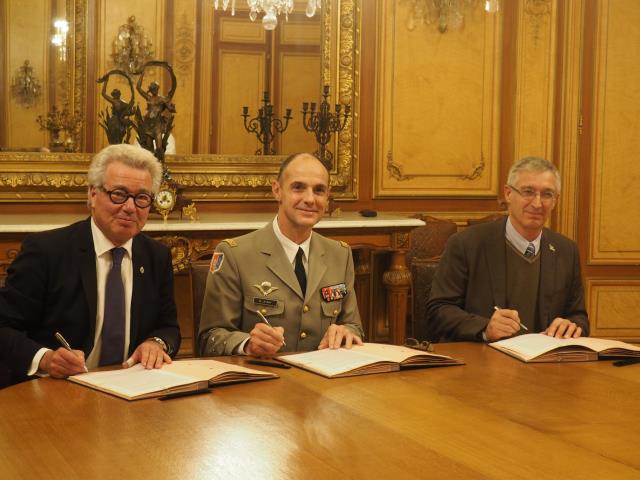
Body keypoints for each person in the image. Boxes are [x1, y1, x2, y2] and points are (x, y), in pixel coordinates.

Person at [0, 144, 180, 386]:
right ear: (93, 195)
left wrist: (155, 343)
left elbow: (168, 327)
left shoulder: (156, 256)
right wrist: (45, 359)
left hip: (131, 389)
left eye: (142, 198)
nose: (130, 207)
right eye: (118, 194)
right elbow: (4, 327)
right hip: (57, 389)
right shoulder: (46, 251)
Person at [198, 152, 364, 356]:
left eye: (319, 190)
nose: (310, 199)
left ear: (327, 197)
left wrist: (345, 332)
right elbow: (209, 338)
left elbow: (354, 327)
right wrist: (247, 344)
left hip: (325, 381)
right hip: (263, 379)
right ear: (277, 191)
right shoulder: (236, 255)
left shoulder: (340, 254)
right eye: (298, 187)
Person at [426, 157, 589, 343]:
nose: (537, 204)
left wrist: (571, 325)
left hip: (545, 364)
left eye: (547, 194)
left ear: (555, 201)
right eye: (528, 192)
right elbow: (438, 311)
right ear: (508, 194)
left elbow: (579, 317)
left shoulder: (566, 250)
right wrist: (485, 328)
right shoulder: (466, 244)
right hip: (481, 361)